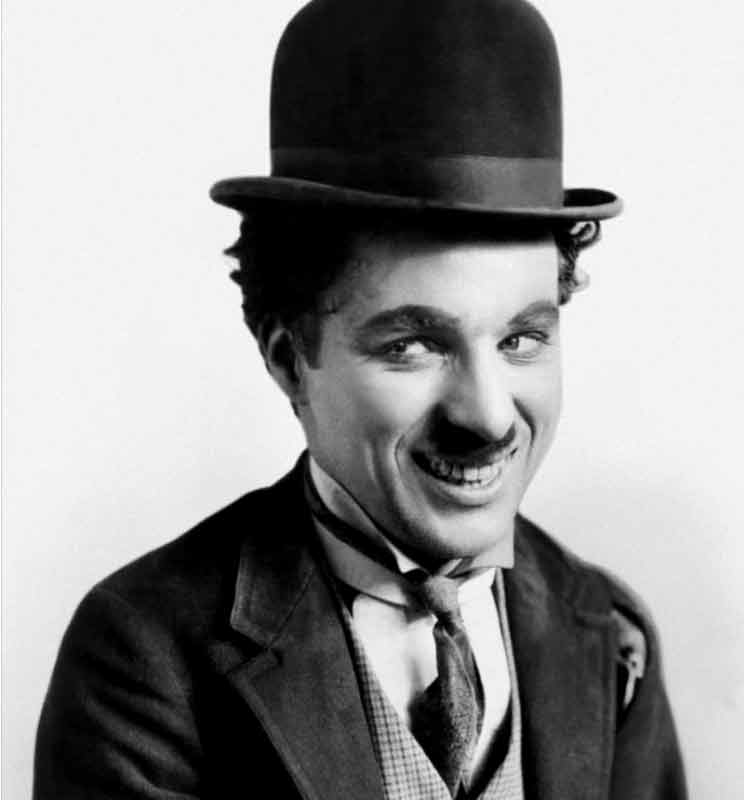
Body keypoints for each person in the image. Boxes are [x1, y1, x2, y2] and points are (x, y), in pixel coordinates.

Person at [34, 0, 687, 797]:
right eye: (412, 345)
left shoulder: (608, 634)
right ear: (289, 358)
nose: (487, 416)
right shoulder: (146, 655)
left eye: (522, 339)